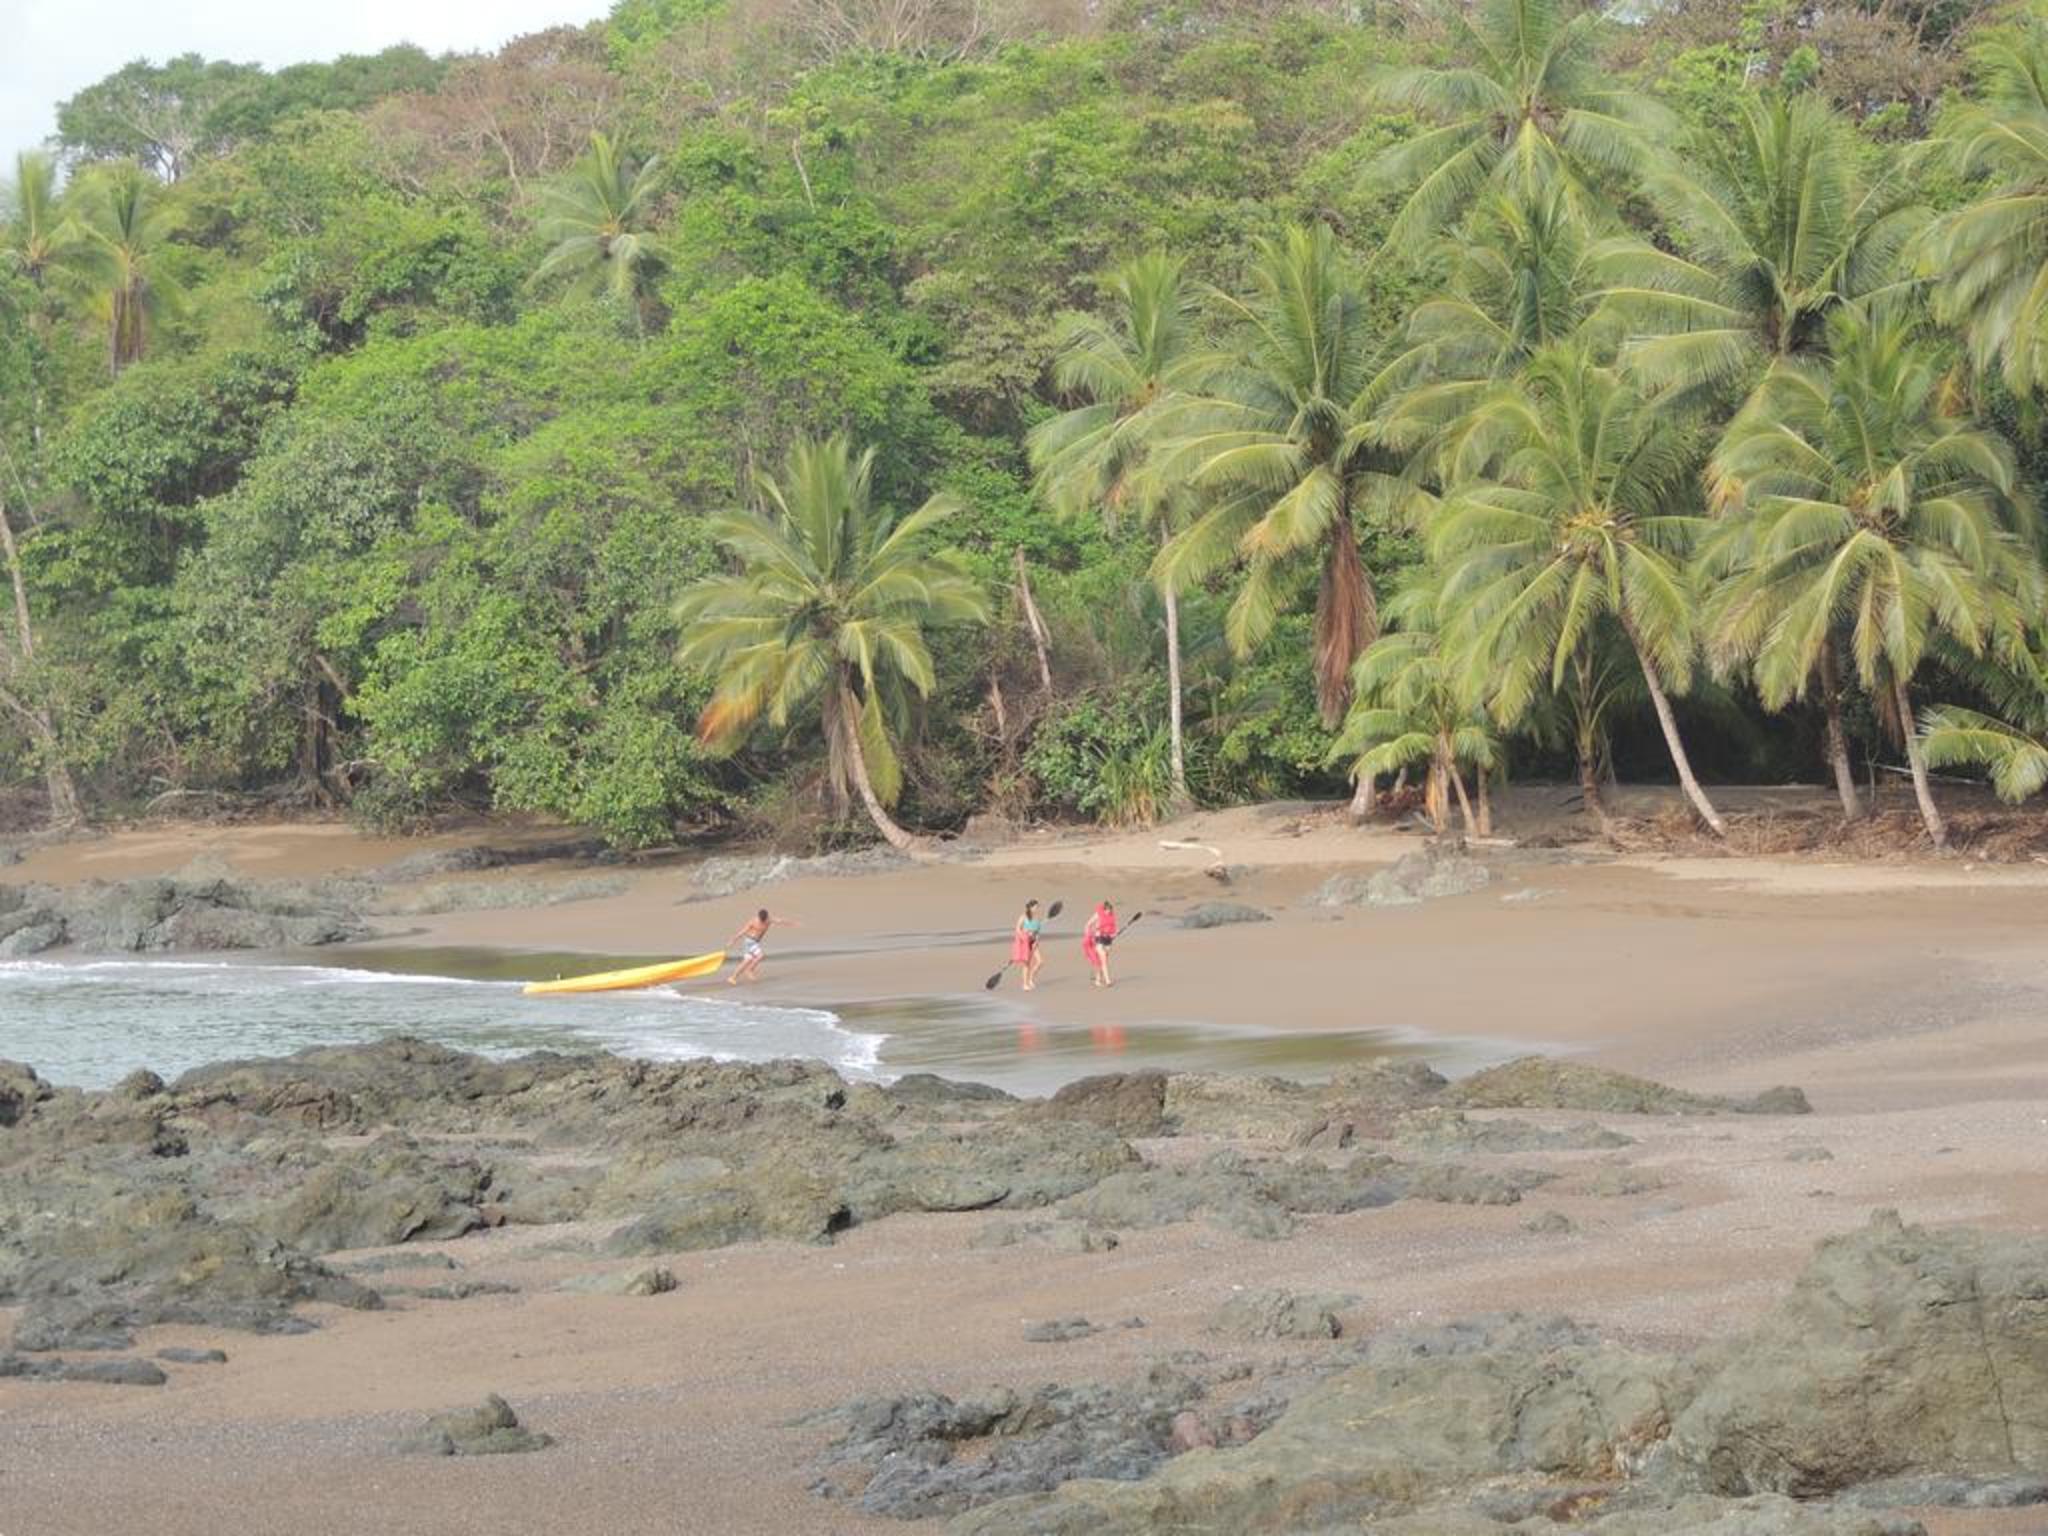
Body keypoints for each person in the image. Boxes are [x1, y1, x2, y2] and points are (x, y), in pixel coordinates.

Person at [728, 907, 797, 985]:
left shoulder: (768, 920)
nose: (762, 921)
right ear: (758, 916)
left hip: (754, 942)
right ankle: (749, 970)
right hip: (750, 941)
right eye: (761, 919)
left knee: (747, 961)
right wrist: (732, 940)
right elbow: (743, 931)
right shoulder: (753, 921)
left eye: (764, 919)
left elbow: (780, 921)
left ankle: (732, 978)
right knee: (760, 955)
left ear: (766, 917)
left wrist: (792, 923)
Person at [1082, 900, 1118, 988]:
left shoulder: (1112, 916)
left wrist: (1114, 933)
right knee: (1103, 959)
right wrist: (1088, 935)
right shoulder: (1098, 914)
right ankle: (1108, 981)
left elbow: (1113, 928)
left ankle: (1098, 980)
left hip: (1108, 940)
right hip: (1098, 939)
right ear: (1104, 909)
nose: (1109, 912)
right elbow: (1088, 924)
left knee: (1102, 961)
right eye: (1107, 910)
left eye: (1110, 910)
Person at [1012, 898, 1046, 991]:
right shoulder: (1023, 917)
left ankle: (1030, 979)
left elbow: (1038, 931)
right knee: (1026, 964)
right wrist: (1025, 934)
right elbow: (1018, 929)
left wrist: (1037, 940)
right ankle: (1024, 984)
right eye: (1035, 907)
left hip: (1033, 942)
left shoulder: (1037, 918)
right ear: (1030, 907)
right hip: (1025, 943)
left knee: (1040, 962)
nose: (1037, 909)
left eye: (1037, 907)